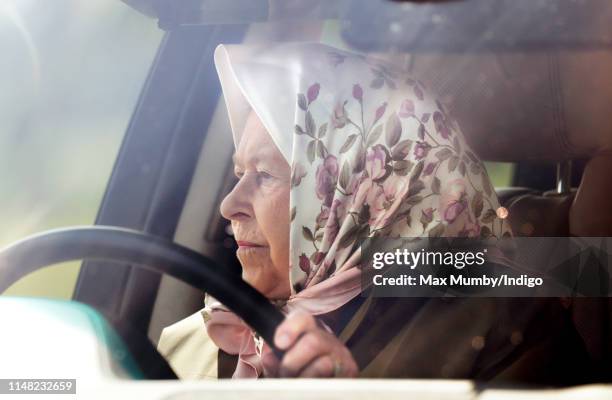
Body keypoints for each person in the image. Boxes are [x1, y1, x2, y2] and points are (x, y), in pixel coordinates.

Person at [158, 42, 591, 382]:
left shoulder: (503, 328)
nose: (228, 204)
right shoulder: (203, 334)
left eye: (266, 175)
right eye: (239, 173)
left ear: (360, 191)